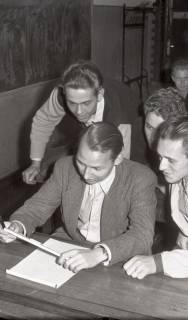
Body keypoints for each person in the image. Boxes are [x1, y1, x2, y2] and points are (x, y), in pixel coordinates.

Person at [0, 122, 156, 273]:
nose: (86, 174)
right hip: (71, 243)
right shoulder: (65, 167)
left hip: (120, 255)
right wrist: (18, 226)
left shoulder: (140, 178)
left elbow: (142, 234)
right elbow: (38, 206)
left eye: (97, 168)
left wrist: (99, 253)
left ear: (117, 159)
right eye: (81, 163)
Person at [23, 60, 138, 185]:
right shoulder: (60, 94)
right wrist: (35, 164)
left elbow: (121, 163)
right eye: (72, 103)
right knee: (45, 171)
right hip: (84, 127)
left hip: (132, 118)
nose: (78, 112)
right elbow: (43, 122)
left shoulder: (120, 117)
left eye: (86, 103)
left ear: (100, 94)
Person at [124, 114, 188, 279]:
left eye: (171, 160)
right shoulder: (178, 177)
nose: (161, 166)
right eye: (160, 156)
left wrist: (157, 262)